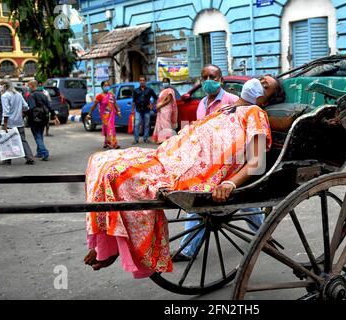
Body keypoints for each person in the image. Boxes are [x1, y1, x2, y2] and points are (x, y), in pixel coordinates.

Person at [83, 76, 280, 278]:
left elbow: (256, 163)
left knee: (117, 175)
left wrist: (230, 183)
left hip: (192, 171)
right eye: (261, 80)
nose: (259, 84)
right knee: (100, 161)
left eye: (266, 87)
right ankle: (105, 243)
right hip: (172, 156)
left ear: (264, 101)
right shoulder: (226, 108)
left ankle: (113, 249)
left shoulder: (256, 114)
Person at [173, 65, 265, 262]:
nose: (208, 80)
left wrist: (231, 179)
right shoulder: (204, 104)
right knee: (247, 204)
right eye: (204, 76)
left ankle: (264, 233)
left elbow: (254, 156)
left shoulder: (242, 106)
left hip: (227, 162)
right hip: (210, 156)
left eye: (212, 77)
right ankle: (264, 232)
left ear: (221, 79)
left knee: (206, 197)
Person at [0, 80, 35, 165]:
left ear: (5, 86)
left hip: (9, 123)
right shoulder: (18, 94)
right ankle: (29, 157)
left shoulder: (5, 96)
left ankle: (7, 160)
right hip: (19, 122)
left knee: (7, 141)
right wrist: (20, 112)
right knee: (22, 140)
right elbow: (26, 107)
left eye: (0, 85)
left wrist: (5, 125)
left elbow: (6, 112)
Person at [27, 80, 60, 161]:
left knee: (37, 136)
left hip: (35, 119)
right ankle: (39, 153)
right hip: (44, 118)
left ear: (32, 86)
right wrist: (54, 116)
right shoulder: (44, 94)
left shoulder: (32, 95)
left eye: (28, 86)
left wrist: (24, 113)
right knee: (40, 135)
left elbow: (31, 108)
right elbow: (50, 106)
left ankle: (44, 152)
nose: (28, 88)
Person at [86, 80, 122, 149]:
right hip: (104, 116)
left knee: (109, 128)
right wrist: (89, 114)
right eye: (105, 85)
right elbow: (93, 106)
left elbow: (114, 104)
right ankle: (112, 143)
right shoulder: (99, 96)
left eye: (108, 85)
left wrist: (118, 112)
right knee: (109, 128)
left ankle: (108, 142)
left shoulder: (111, 95)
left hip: (111, 114)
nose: (107, 87)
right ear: (102, 87)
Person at [131, 76, 158, 144]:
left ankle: (145, 138)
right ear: (139, 81)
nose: (142, 82)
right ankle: (136, 139)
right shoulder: (136, 90)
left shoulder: (149, 90)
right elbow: (134, 101)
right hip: (138, 110)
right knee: (136, 124)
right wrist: (132, 110)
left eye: (143, 80)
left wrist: (152, 105)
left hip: (147, 110)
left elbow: (155, 98)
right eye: (140, 80)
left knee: (147, 124)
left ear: (145, 81)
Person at [151, 77, 178, 143]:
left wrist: (160, 105)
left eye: (166, 82)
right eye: (163, 82)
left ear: (169, 83)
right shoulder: (162, 91)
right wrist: (158, 106)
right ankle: (162, 139)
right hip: (161, 110)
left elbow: (168, 100)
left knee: (166, 124)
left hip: (166, 109)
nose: (164, 83)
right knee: (160, 124)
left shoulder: (170, 90)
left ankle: (168, 139)